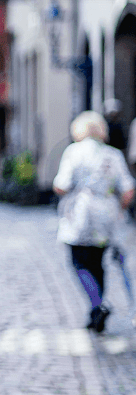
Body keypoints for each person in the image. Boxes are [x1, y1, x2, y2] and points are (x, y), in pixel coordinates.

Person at [53, 110, 134, 333]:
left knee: (79, 262)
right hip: (106, 214)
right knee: (99, 263)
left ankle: (97, 305)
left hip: (81, 212)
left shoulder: (74, 152)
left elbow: (62, 184)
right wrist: (118, 210)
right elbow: (128, 190)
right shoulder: (113, 155)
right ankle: (96, 310)